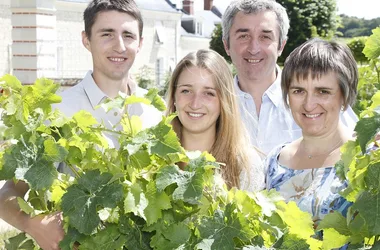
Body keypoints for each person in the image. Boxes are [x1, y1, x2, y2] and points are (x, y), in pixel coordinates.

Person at [0, 0, 161, 249]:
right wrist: (32, 224)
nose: (119, 45)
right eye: (107, 34)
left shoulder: (155, 111)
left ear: (140, 43)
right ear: (86, 40)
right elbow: (8, 192)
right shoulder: (58, 112)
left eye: (128, 35)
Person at [221, 0, 358, 156]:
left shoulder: (323, 100)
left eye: (265, 37)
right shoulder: (214, 106)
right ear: (226, 45)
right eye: (244, 36)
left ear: (281, 45)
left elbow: (357, 149)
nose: (254, 48)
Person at [265, 38, 358, 227]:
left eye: (322, 91)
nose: (308, 104)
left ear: (345, 96)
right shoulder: (275, 161)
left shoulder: (366, 159)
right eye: (298, 91)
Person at [165, 49, 264, 192]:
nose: (195, 104)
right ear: (174, 97)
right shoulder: (152, 159)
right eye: (186, 91)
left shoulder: (246, 166)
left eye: (209, 93)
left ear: (224, 101)